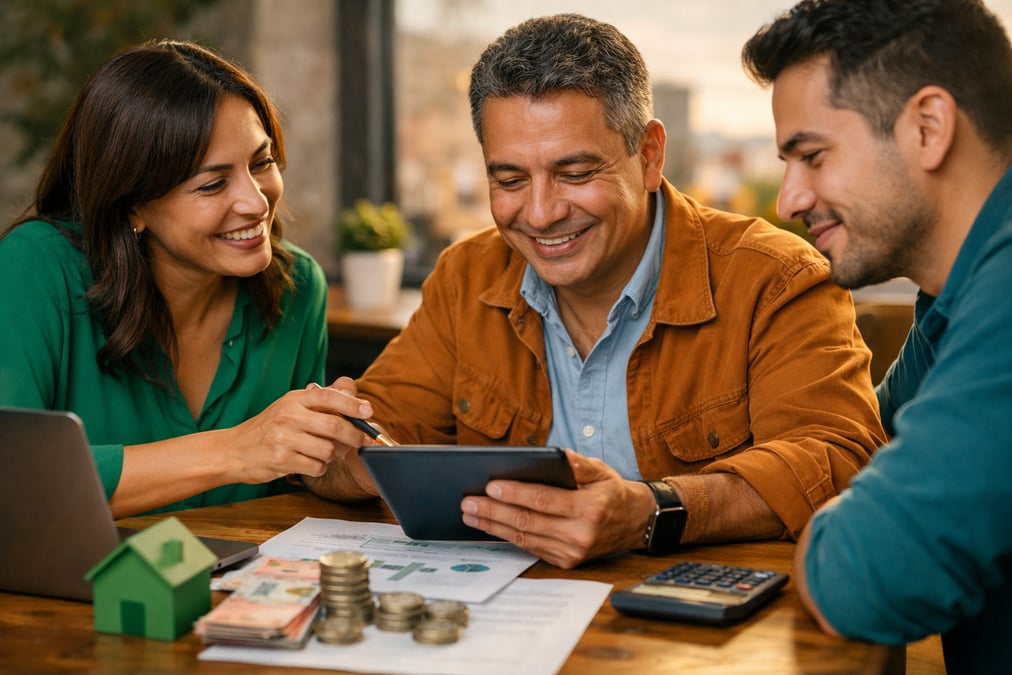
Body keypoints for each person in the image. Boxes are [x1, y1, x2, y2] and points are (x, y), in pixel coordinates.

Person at [306, 13, 886, 569]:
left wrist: (651, 511)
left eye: (576, 174)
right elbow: (378, 427)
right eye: (510, 180)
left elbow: (836, 461)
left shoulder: (775, 277)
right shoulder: (467, 275)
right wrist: (336, 452)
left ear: (649, 155)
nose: (540, 214)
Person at [742, 1, 1012, 671]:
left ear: (928, 127)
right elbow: (859, 457)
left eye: (812, 156)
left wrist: (842, 527)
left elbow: (865, 578)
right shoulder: (953, 298)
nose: (789, 200)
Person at [0, 39, 374, 518]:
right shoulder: (34, 267)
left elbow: (297, 474)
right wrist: (237, 450)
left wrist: (348, 464)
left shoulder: (297, 284)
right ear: (132, 205)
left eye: (261, 163)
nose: (256, 202)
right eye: (212, 184)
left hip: (248, 568)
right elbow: (14, 480)